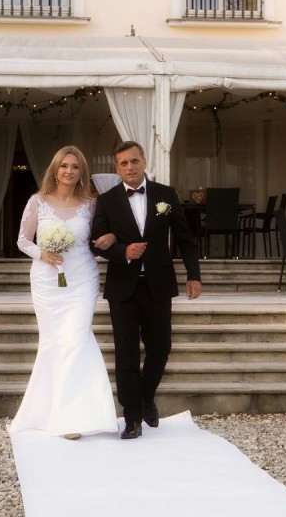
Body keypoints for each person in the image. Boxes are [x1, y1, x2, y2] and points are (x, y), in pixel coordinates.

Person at [90, 141, 202, 440]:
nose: (130, 167)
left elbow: (184, 237)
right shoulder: (107, 200)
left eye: (134, 161)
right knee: (126, 353)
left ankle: (146, 396)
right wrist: (124, 251)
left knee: (161, 348)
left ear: (144, 162)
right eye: (124, 163)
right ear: (117, 168)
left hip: (158, 284)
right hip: (123, 288)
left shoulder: (166, 195)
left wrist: (193, 275)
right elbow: (96, 243)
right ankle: (132, 418)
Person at [11, 145, 118, 439]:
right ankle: (48, 412)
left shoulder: (90, 205)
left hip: (82, 279)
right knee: (53, 343)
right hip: (47, 282)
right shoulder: (37, 201)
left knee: (75, 340)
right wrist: (42, 253)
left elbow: (98, 240)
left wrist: (110, 238)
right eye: (64, 166)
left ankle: (74, 417)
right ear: (55, 170)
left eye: (75, 166)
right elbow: (22, 240)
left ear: (82, 172)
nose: (69, 171)